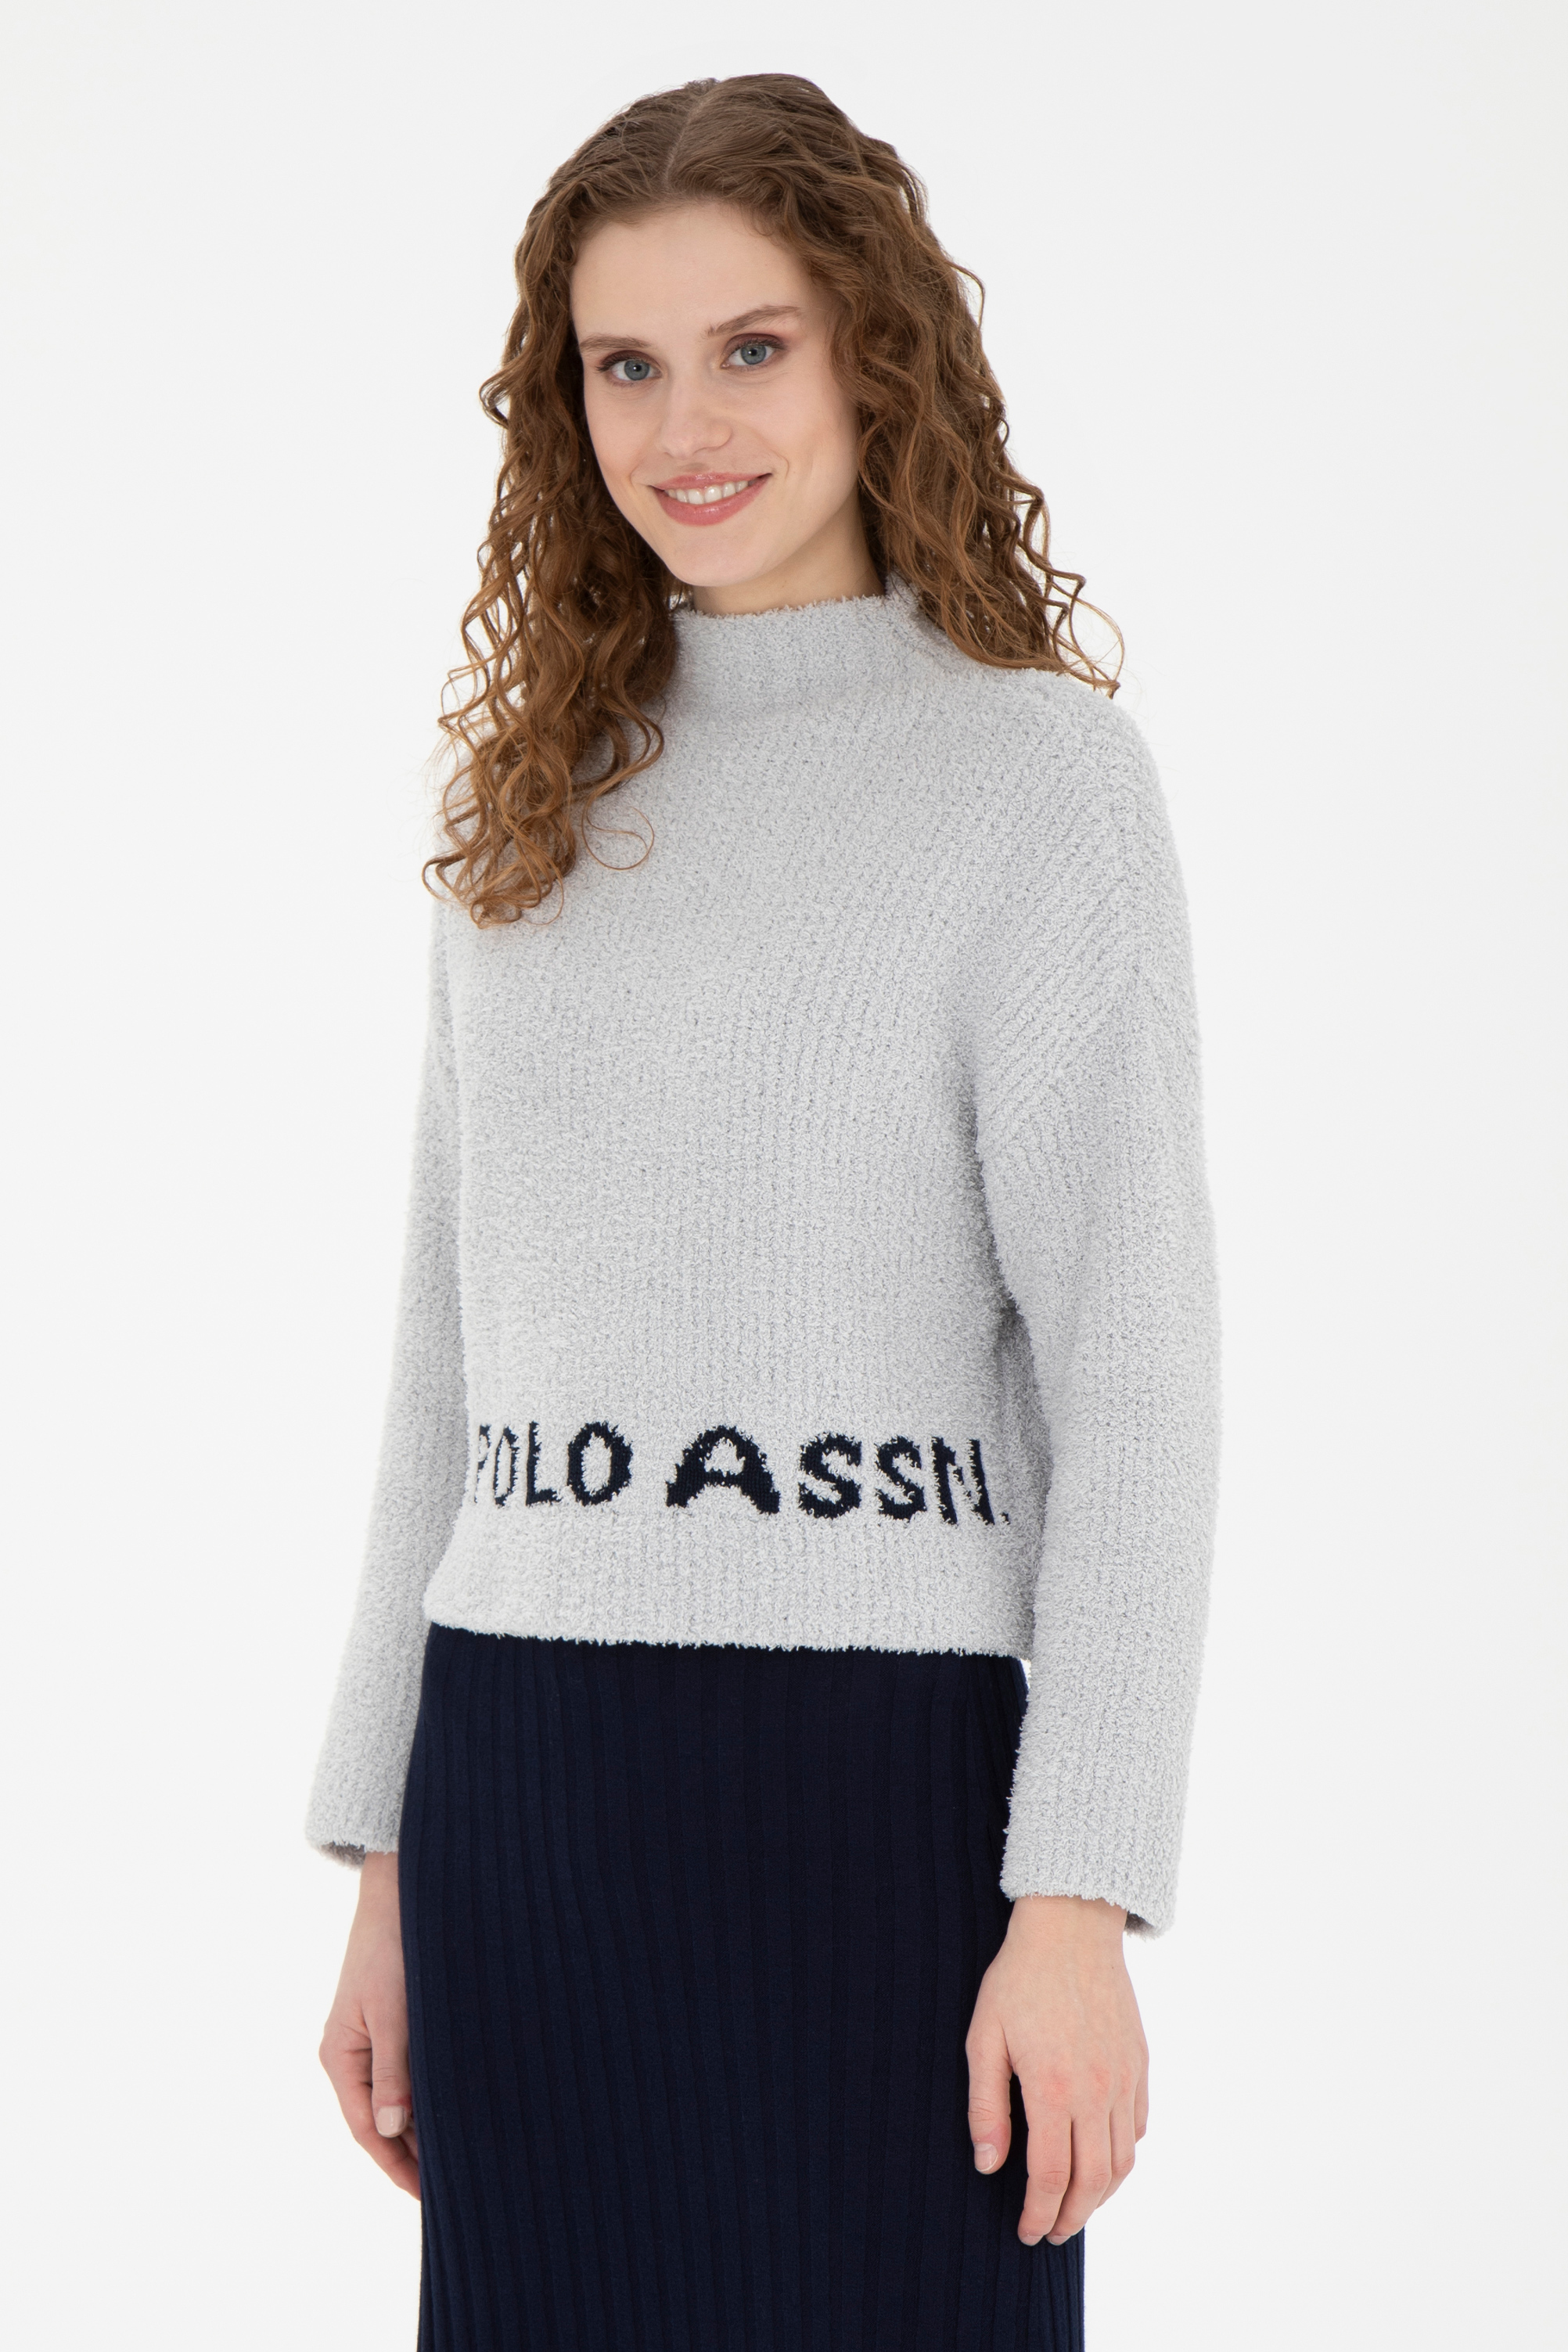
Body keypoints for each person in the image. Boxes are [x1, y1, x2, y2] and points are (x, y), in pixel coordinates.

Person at [308, 71, 1220, 2352]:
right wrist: (384, 1864)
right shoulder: (532, 794)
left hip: (882, 1814)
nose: (683, 425)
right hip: (524, 1801)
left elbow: (1135, 1374)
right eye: (624, 363)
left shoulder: (1034, 783)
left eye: (750, 346)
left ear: (873, 351)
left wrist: (1077, 1902)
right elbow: (443, 1355)